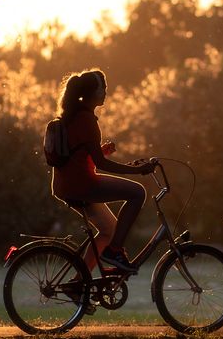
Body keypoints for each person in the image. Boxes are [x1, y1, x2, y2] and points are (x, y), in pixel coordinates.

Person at [50, 69, 155, 274]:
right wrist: (139, 170)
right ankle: (114, 251)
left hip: (66, 184)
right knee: (138, 192)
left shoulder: (72, 116)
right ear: (93, 93)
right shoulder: (86, 120)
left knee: (108, 230)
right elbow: (101, 165)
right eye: (103, 87)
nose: (106, 92)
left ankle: (80, 283)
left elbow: (80, 155)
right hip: (81, 185)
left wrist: (101, 152)